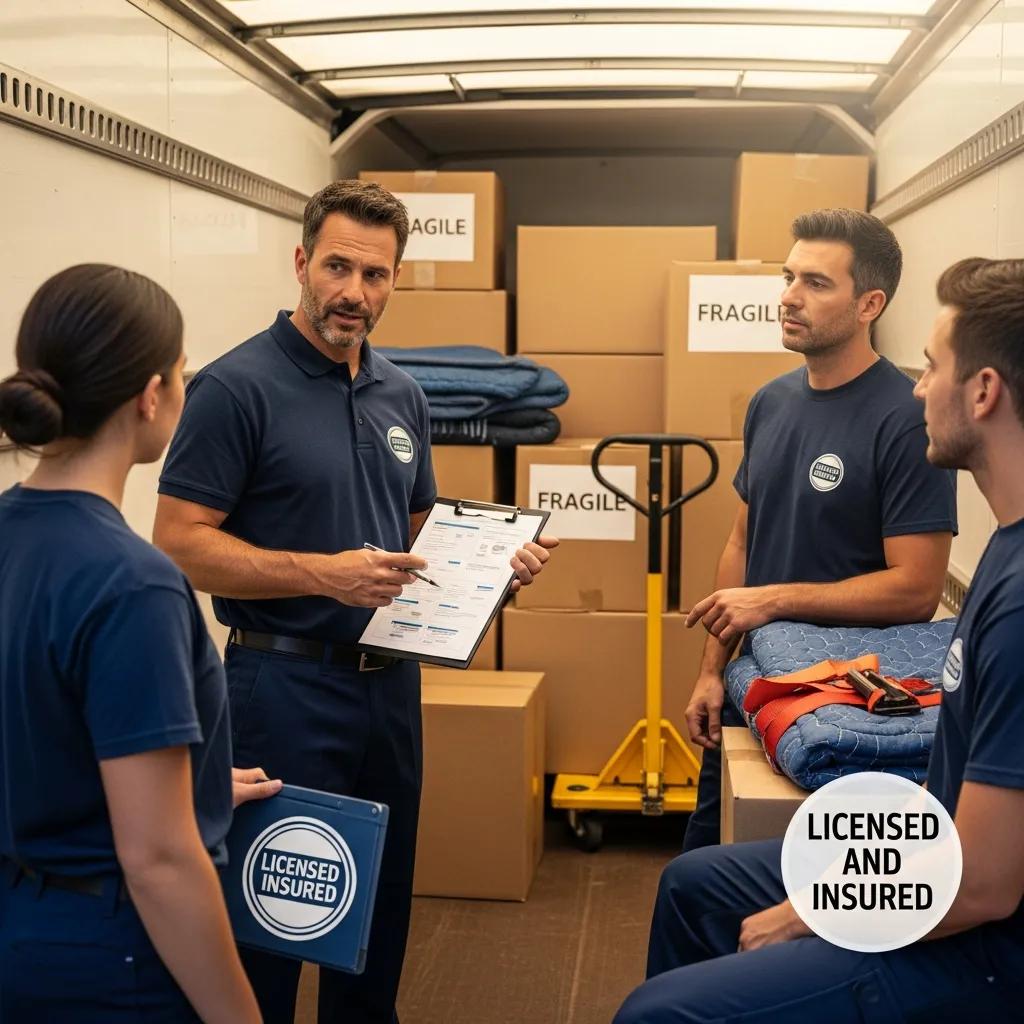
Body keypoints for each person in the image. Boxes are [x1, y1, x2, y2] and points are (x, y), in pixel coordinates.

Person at [152, 179, 557, 1024]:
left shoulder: (401, 393)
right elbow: (180, 542)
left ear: (394, 280)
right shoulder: (236, 387)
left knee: (376, 915)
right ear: (301, 262)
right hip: (279, 689)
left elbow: (418, 534)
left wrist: (493, 563)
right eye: (338, 267)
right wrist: (320, 574)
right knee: (272, 921)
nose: (354, 293)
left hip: (388, 691)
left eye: (375, 275)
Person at [615, 256, 1024, 1024]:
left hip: (986, 951)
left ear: (983, 392)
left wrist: (810, 911)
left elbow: (984, 886)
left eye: (932, 368)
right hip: (929, 850)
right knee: (693, 883)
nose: (918, 389)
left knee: (658, 1013)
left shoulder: (1019, 602)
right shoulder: (1006, 546)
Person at [0, 264, 282, 1022]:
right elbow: (159, 861)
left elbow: (42, 731)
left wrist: (194, 787)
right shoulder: (134, 584)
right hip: (108, 957)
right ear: (151, 395)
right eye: (183, 373)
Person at [681, 209, 958, 852]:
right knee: (705, 865)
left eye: (815, 283)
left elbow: (917, 590)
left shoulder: (905, 417)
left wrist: (774, 601)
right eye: (788, 277)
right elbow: (742, 544)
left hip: (844, 717)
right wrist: (712, 672)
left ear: (869, 304)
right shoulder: (770, 402)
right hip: (754, 689)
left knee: (800, 888)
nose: (789, 297)